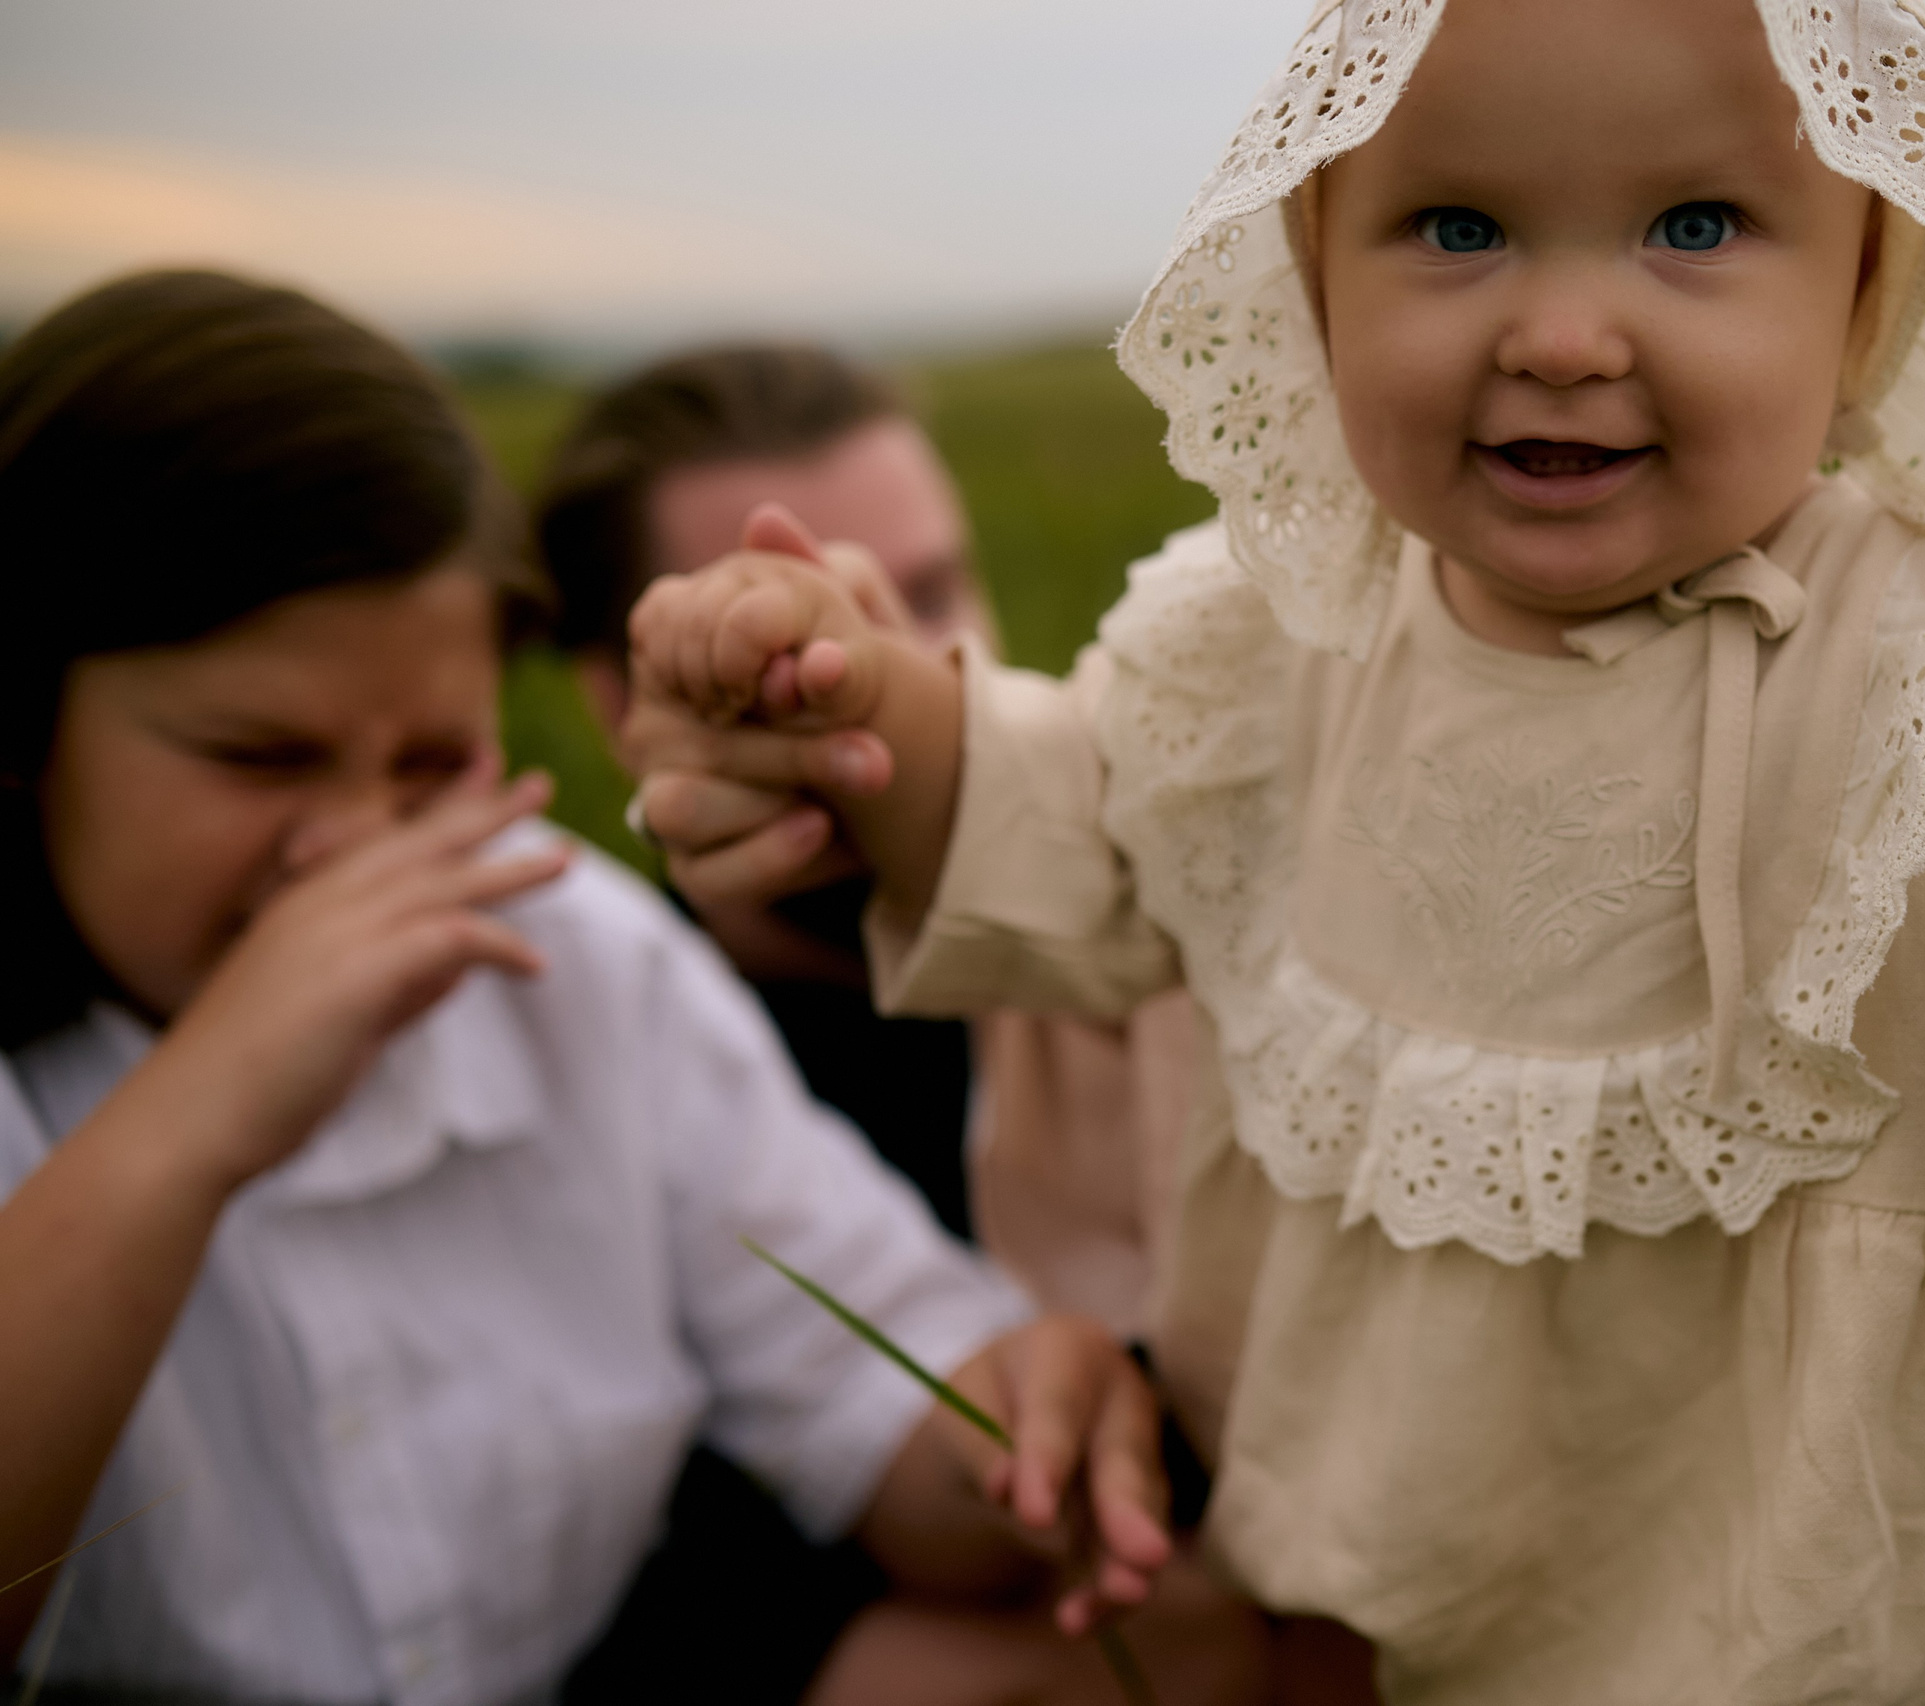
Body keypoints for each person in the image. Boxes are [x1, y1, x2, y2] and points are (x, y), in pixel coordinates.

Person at [627, 0, 1925, 1700]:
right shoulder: (1274, 636)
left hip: (1797, 1655)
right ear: (1313, 266)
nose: (1562, 333)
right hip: (1334, 1628)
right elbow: (1064, 816)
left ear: (1867, 280)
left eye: (1695, 226)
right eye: (1453, 228)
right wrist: (859, 714)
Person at [0, 271, 1225, 1706]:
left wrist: (1018, 1421)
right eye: (258, 757)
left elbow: (875, 1400)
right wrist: (191, 1118)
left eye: (434, 766)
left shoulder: (577, 958)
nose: (351, 850)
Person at [538, 344, 1190, 1326]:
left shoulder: (1177, 902)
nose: (885, 669)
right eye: (768, 643)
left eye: (927, 596)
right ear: (615, 706)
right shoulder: (595, 1081)